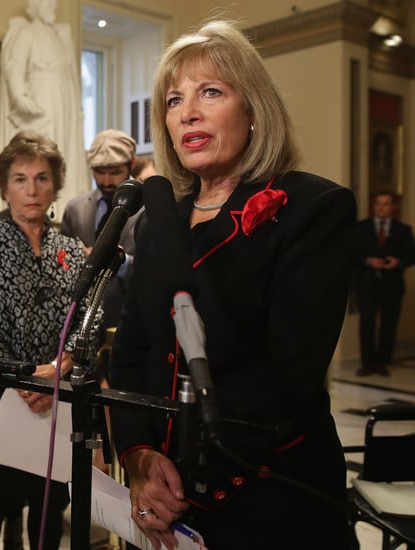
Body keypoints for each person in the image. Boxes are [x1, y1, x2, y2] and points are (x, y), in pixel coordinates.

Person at [108, 19, 357, 550]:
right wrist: (138, 457)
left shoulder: (313, 208)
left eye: (211, 92)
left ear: (253, 107)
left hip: (270, 497)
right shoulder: (157, 220)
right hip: (161, 493)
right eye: (174, 101)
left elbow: (287, 372)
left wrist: (192, 483)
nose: (188, 112)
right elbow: (131, 354)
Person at [0, 131, 101, 550]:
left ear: (55, 185)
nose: (31, 190)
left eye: (41, 178)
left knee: (49, 512)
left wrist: (63, 364)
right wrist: (24, 377)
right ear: (4, 188)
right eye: (20, 179)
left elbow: (91, 315)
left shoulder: (71, 251)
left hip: (54, 396)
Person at [0, 0, 89, 213]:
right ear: (34, 6)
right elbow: (15, 64)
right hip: (42, 95)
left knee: (62, 146)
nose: (53, 8)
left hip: (61, 98)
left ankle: (62, 201)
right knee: (42, 147)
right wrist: (19, 95)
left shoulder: (58, 36)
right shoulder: (27, 33)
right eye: (48, 3)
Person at [60, 129, 141, 332]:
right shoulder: (75, 208)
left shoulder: (149, 210)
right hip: (79, 321)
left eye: (114, 172)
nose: (106, 181)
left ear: (131, 164)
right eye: (99, 172)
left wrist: (119, 262)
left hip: (127, 320)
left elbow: (156, 270)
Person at [353, 192, 415, 377]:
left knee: (389, 325)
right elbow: (350, 253)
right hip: (367, 284)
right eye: (378, 203)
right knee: (367, 324)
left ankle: (382, 362)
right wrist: (367, 260)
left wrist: (399, 262)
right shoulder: (360, 228)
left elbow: (411, 255)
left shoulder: (403, 230)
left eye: (386, 204)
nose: (381, 207)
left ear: (393, 207)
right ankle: (367, 363)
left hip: (392, 284)